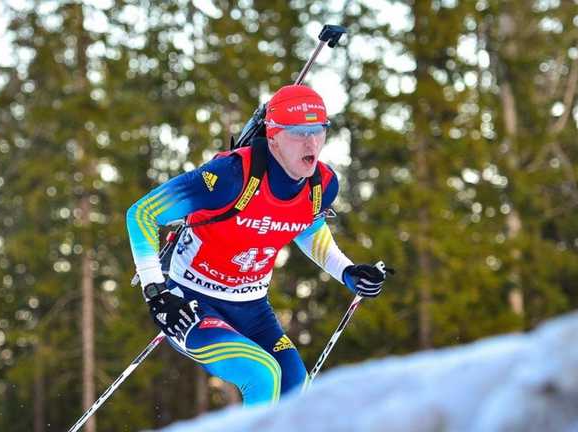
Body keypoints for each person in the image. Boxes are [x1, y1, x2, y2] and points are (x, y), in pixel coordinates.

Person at [126, 84, 392, 406]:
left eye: (318, 130)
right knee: (262, 374)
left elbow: (306, 226)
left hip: (253, 310)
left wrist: (347, 272)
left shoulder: (322, 185)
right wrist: (157, 295)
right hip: (191, 303)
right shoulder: (230, 176)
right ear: (274, 136)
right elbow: (142, 213)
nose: (311, 143)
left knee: (295, 388)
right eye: (299, 133)